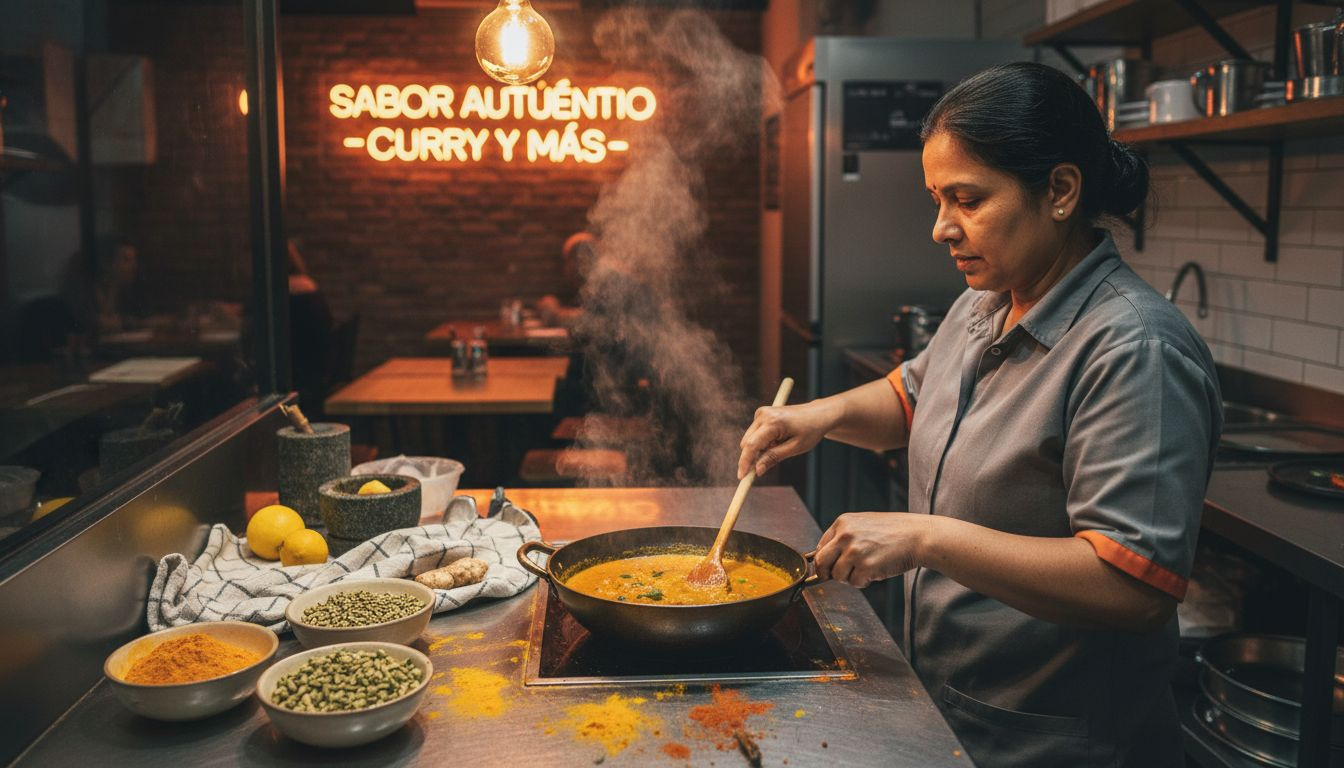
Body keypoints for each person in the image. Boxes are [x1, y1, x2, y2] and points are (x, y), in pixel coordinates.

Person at [738, 62, 1221, 768]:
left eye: (967, 199)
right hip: (953, 710)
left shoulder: (1134, 348)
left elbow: (1132, 585)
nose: (941, 229)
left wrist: (927, 539)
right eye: (937, 199)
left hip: (1056, 740)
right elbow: (910, 397)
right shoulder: (986, 302)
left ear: (1059, 191)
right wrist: (816, 416)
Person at [535, 231, 594, 327]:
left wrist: (553, 313)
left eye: (567, 261)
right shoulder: (589, 288)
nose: (565, 269)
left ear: (580, 260)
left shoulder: (605, 284)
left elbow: (592, 322)